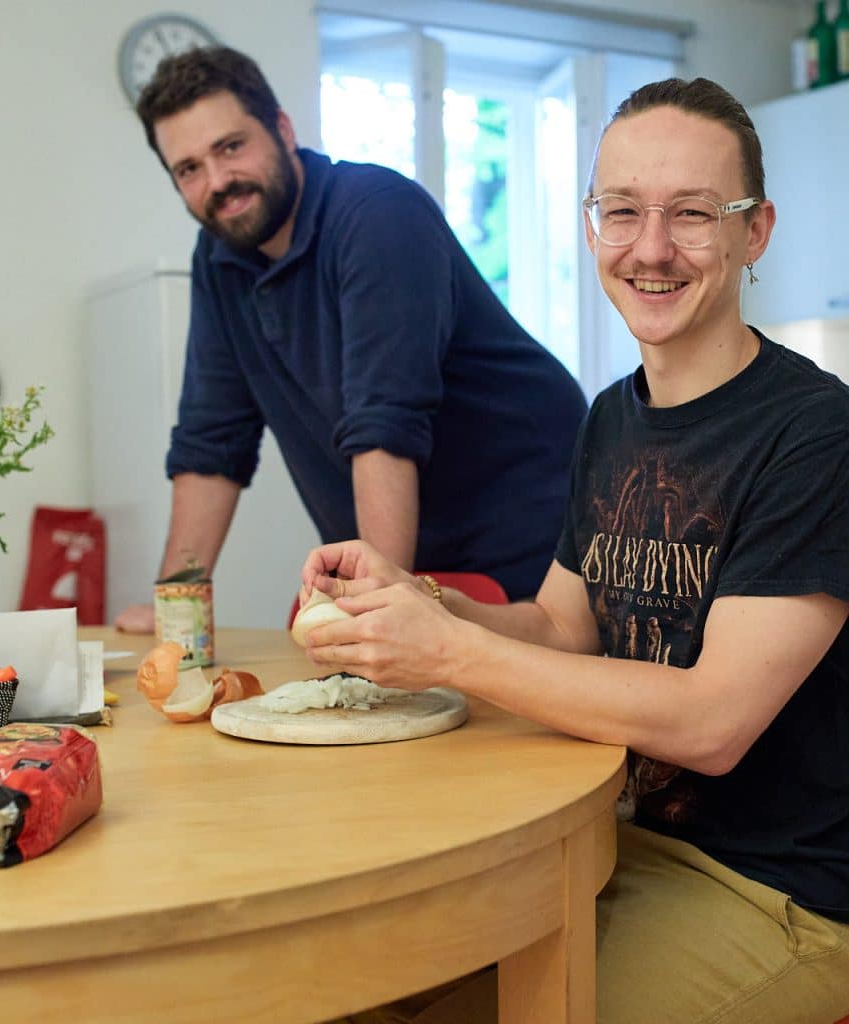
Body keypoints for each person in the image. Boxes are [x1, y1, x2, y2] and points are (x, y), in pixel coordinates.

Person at [299, 77, 849, 1024]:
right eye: (622, 211)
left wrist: (451, 653)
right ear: (593, 226)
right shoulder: (611, 419)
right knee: (357, 986)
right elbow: (561, 623)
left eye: (691, 215)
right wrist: (426, 600)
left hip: (777, 898)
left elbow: (714, 723)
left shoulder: (815, 434)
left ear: (753, 232)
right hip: (611, 841)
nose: (649, 248)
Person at [113, 46, 588, 633]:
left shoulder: (376, 214)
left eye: (231, 147)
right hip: (415, 565)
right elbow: (211, 444)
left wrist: (374, 612)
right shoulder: (220, 257)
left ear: (282, 130)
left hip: (531, 559)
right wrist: (175, 613)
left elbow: (384, 424)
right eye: (188, 169)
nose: (218, 182)